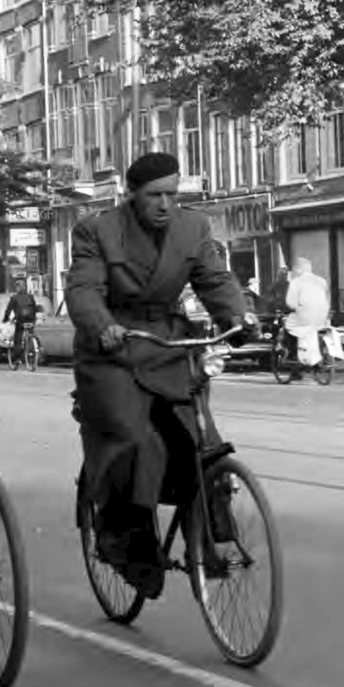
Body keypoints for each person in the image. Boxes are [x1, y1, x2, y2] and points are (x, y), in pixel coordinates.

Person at [67, 151, 254, 595]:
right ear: (132, 195)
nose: (165, 204)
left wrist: (239, 319)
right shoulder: (98, 229)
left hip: (167, 341)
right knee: (133, 436)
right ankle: (122, 534)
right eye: (154, 195)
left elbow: (213, 279)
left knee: (200, 440)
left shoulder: (194, 228)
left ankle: (211, 537)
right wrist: (102, 326)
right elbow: (84, 290)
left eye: (172, 194)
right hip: (112, 348)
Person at [283, 255, 333, 367]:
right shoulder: (322, 281)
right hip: (322, 317)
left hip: (304, 318)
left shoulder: (296, 282)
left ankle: (293, 354)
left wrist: (296, 307)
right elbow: (328, 299)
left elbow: (290, 302)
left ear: (298, 269)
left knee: (288, 325)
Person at [2, 278, 39, 364]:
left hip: (20, 320)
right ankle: (32, 351)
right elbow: (34, 308)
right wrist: (34, 319)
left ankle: (16, 358)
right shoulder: (30, 297)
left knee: (17, 339)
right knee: (30, 334)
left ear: (18, 288)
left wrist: (5, 319)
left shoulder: (14, 298)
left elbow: (8, 310)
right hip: (30, 320)